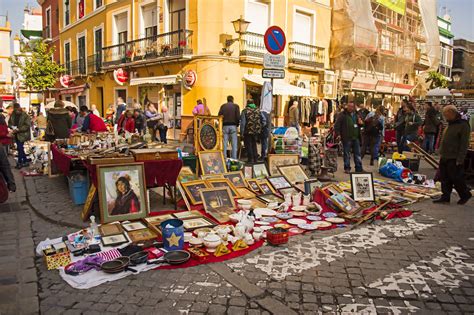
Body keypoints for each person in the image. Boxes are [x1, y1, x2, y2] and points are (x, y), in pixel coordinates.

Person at [433, 105, 471, 205]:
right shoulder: (451, 123)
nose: (445, 117)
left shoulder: (463, 125)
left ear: (451, 112)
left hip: (454, 156)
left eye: (446, 114)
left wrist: (460, 158)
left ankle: (465, 194)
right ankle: (445, 196)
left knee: (456, 178)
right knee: (444, 177)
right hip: (445, 155)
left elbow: (464, 143)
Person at [334, 101, 363, 173]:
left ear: (354, 107)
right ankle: (347, 168)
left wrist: (361, 123)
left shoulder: (357, 114)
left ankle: (358, 168)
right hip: (346, 137)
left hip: (356, 137)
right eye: (348, 106)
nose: (350, 108)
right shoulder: (342, 114)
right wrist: (338, 134)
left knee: (357, 154)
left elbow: (361, 124)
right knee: (347, 153)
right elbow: (337, 125)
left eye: (351, 106)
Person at [240, 99, 266, 164]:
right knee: (254, 144)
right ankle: (255, 158)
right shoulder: (258, 110)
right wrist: (261, 127)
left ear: (247, 103)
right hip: (256, 131)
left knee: (248, 145)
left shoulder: (245, 111)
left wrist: (242, 133)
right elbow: (264, 120)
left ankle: (250, 159)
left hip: (248, 131)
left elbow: (243, 123)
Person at [8, 103, 31, 169]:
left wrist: (18, 129)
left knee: (19, 147)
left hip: (23, 134)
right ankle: (25, 160)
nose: (16, 110)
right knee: (20, 147)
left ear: (19, 108)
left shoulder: (25, 115)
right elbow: (9, 123)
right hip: (16, 133)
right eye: (15, 109)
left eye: (17, 109)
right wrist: (12, 127)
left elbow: (27, 125)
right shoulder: (13, 114)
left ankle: (20, 162)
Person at [218, 95, 240, 159]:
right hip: (233, 126)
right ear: (232, 100)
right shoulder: (236, 106)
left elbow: (219, 116)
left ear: (227, 100)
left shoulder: (223, 106)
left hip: (225, 126)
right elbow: (238, 117)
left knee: (224, 144)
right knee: (234, 144)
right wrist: (237, 124)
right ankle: (234, 159)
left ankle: (224, 158)